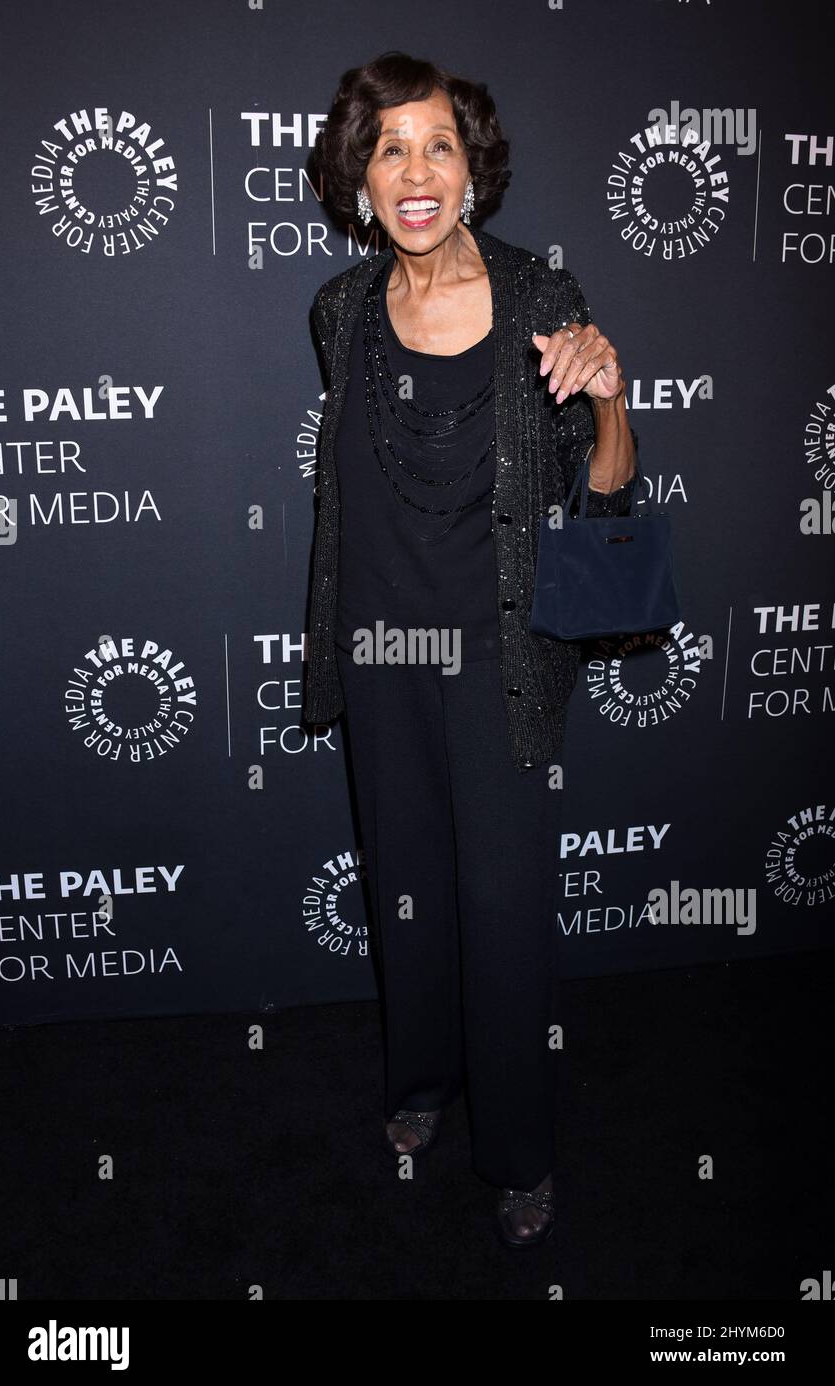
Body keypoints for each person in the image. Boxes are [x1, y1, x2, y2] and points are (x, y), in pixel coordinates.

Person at [303, 50, 637, 1248]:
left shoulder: (541, 294)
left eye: (436, 144)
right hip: (379, 659)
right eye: (388, 147)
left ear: (472, 168)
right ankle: (418, 1084)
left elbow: (604, 499)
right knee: (408, 895)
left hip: (497, 657)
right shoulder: (339, 312)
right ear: (360, 175)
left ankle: (519, 1150)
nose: (413, 169)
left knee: (498, 909)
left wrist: (607, 398)